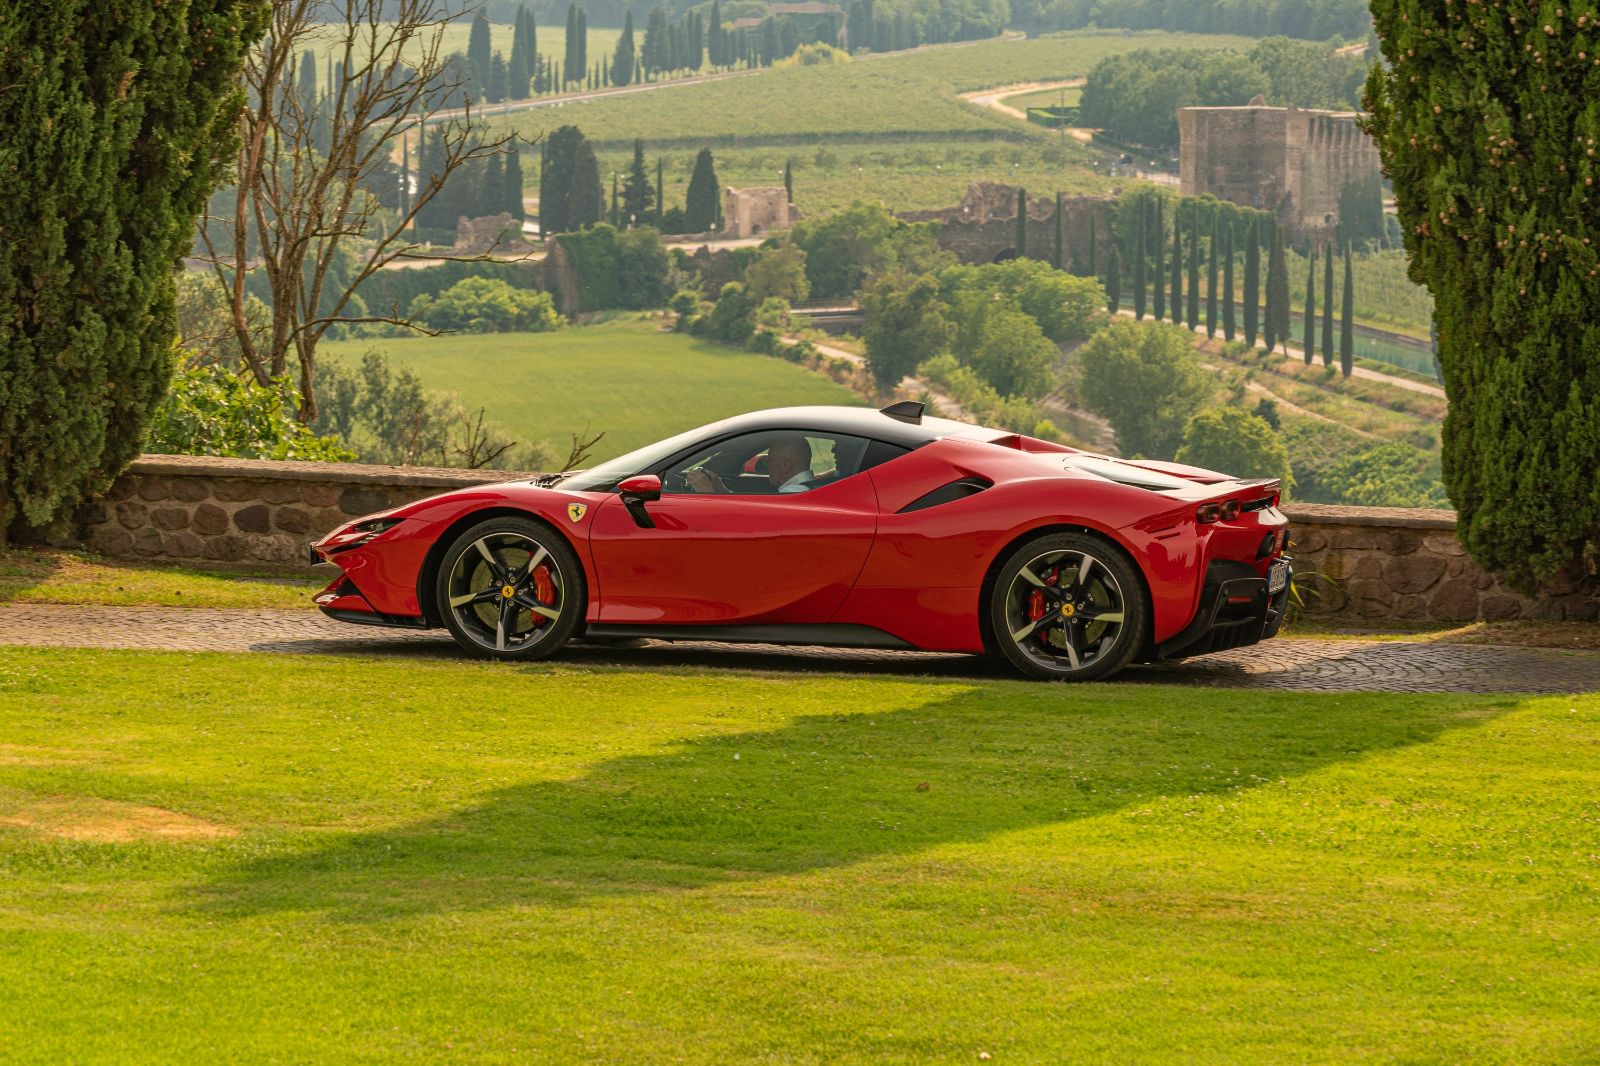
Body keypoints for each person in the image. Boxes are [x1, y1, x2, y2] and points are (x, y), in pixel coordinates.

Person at [684, 435, 814, 494]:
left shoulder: (794, 494)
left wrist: (706, 492)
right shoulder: (801, 490)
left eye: (769, 459)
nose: (766, 464)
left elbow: (738, 525)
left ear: (785, 465)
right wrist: (720, 488)